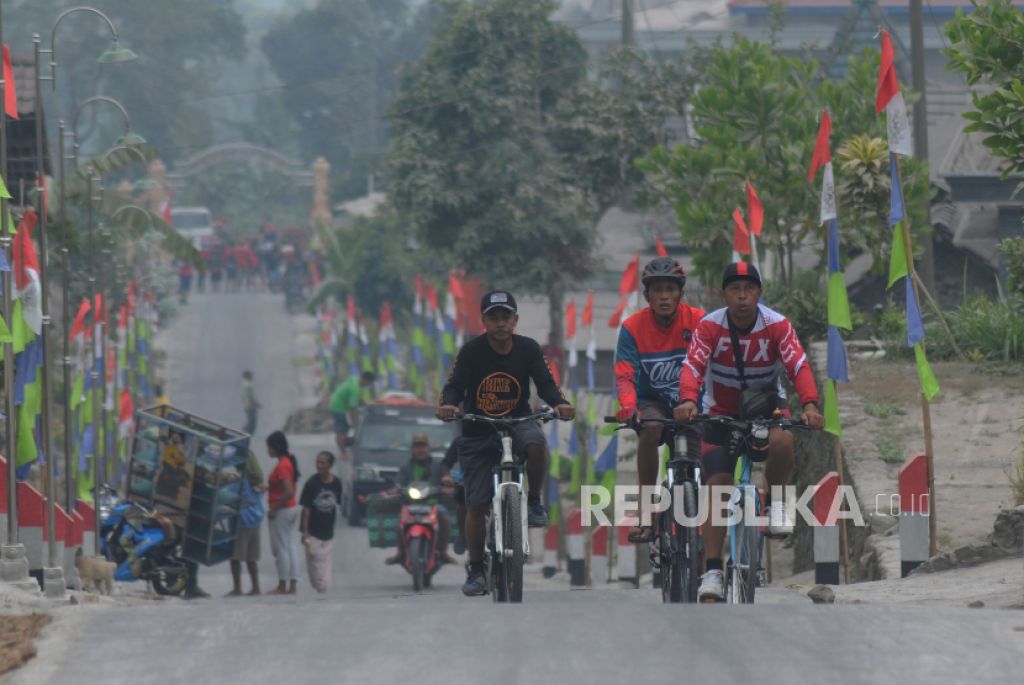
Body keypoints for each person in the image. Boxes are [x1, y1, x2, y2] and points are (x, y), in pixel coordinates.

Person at [674, 262, 824, 602]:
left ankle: (774, 503)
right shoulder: (709, 327)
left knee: (784, 439)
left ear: (759, 293)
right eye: (735, 290)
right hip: (720, 411)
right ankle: (711, 569)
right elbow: (693, 366)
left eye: (749, 290)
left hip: (767, 406)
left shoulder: (777, 325)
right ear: (723, 294)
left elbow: (797, 365)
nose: (742, 297)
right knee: (716, 486)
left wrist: (811, 405)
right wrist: (686, 400)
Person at [437, 290, 574, 597]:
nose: (500, 323)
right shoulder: (471, 351)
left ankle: (534, 502)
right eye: (493, 318)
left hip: (518, 421)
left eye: (505, 317)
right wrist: (448, 405)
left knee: (537, 445)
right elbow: (454, 386)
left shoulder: (528, 348)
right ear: (484, 321)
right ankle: (475, 568)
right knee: (476, 506)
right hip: (478, 427)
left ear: (515, 320)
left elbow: (546, 384)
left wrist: (560, 404)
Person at [613, 257, 705, 543]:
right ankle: (646, 509)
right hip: (652, 401)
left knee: (700, 466)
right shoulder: (632, 327)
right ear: (646, 295)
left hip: (693, 404)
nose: (664, 296)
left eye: (670, 289)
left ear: (680, 293)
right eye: (657, 290)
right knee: (651, 428)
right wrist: (629, 407)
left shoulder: (700, 320)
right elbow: (625, 374)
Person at [384, 433, 456, 567]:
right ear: (412, 449)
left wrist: (447, 485)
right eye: (417, 447)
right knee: (400, 520)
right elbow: (399, 483)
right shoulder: (406, 467)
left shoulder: (438, 466)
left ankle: (443, 552)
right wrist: (395, 489)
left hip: (433, 504)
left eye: (422, 446)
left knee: (445, 517)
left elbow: (446, 480)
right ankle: (400, 552)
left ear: (428, 448)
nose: (420, 450)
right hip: (411, 505)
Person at [300, 451, 343, 594]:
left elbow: (338, 503)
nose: (319, 465)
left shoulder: (336, 483)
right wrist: (305, 532)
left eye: (323, 462)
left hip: (328, 528)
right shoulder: (311, 483)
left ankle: (323, 586)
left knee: (324, 558)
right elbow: (306, 509)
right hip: (312, 528)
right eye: (317, 462)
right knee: (313, 557)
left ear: (330, 465)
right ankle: (319, 583)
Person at [265, 430, 301, 595]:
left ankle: (282, 585)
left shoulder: (283, 465)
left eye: (269, 447)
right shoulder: (287, 461)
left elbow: (287, 492)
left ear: (276, 447)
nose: (268, 450)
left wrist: (274, 509)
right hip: (290, 509)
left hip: (283, 510)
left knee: (281, 548)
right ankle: (292, 584)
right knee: (290, 546)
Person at [229, 450, 264, 596]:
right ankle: (256, 587)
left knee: (235, 557)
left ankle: (237, 588)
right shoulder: (255, 482)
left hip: (241, 522)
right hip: (255, 520)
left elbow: (228, 498)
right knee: (251, 558)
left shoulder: (236, 483)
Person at [328, 371, 375, 455]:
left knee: (345, 428)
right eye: (369, 383)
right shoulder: (355, 389)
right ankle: (343, 452)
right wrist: (354, 422)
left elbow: (360, 398)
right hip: (338, 407)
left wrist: (369, 405)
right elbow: (352, 408)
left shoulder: (355, 379)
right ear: (366, 380)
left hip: (336, 402)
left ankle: (343, 447)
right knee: (341, 430)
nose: (368, 385)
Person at [241, 370, 261, 435]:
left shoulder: (245, 384)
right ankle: (243, 434)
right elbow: (248, 397)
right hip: (250, 406)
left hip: (250, 405)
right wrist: (248, 405)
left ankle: (244, 433)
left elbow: (247, 396)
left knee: (251, 422)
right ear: (248, 376)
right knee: (252, 423)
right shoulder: (248, 385)